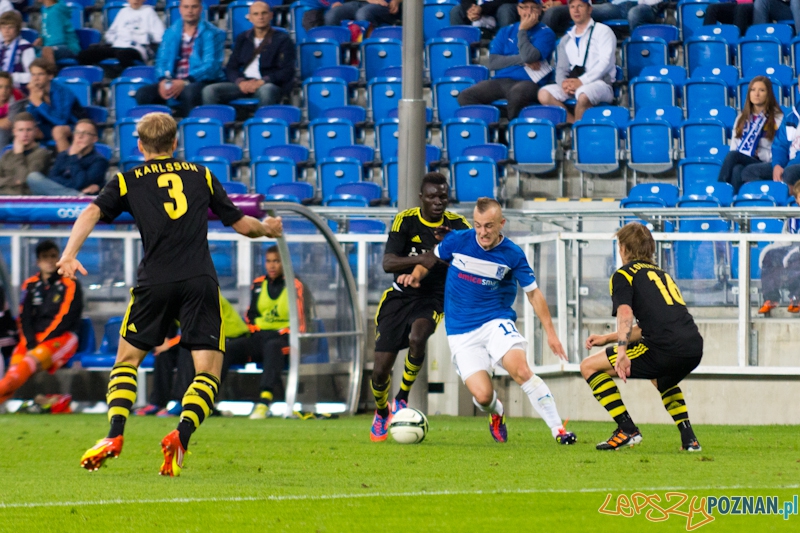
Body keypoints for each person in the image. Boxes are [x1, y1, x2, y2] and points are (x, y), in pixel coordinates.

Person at [58, 112, 283, 477]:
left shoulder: (127, 180)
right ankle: (181, 434)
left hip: (155, 281)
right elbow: (242, 224)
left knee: (127, 360)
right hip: (198, 279)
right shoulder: (201, 175)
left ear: (140, 146)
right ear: (176, 143)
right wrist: (268, 229)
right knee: (207, 371)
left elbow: (91, 212)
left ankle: (114, 435)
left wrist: (69, 254)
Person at [398, 197, 576, 445]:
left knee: (521, 370)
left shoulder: (512, 254)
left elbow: (534, 293)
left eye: (489, 226)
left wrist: (551, 334)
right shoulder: (458, 240)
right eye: (478, 225)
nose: (483, 232)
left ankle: (559, 430)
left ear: (501, 223)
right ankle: (497, 412)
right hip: (461, 332)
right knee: (483, 396)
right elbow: (430, 258)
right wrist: (416, 275)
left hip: (495, 322)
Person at [581, 222, 703, 452]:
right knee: (662, 378)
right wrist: (608, 338)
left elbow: (625, 313)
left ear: (624, 248)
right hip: (693, 347)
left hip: (665, 348)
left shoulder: (623, 275)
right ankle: (690, 440)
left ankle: (627, 429)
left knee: (589, 366)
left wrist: (622, 353)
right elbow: (651, 326)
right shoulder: (661, 274)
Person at [369, 173, 471, 441]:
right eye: (432, 197)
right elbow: (388, 263)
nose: (438, 202)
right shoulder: (406, 220)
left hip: (434, 297)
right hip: (399, 297)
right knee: (380, 371)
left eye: (443, 196)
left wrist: (446, 251)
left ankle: (402, 398)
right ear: (421, 198)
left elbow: (471, 258)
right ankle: (382, 412)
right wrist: (426, 258)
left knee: (418, 336)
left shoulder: (458, 225)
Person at [223, 245, 314, 419]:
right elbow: (250, 316)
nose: (272, 266)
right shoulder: (258, 284)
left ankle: (264, 401)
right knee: (228, 349)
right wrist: (257, 330)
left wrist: (279, 333)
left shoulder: (296, 286)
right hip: (260, 337)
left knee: (273, 346)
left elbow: (302, 324)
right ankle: (207, 400)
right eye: (269, 261)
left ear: (285, 262)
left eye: (276, 261)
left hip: (286, 340)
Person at [0, 240, 83, 404]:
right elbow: (24, 318)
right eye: (45, 257)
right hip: (33, 341)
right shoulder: (30, 285)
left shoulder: (70, 283)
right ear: (38, 261)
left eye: (53, 256)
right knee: (15, 368)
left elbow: (64, 319)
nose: (50, 261)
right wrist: (30, 342)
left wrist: (38, 344)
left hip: (62, 338)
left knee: (28, 364)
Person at [457, 0, 556, 120]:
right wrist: (522, 60)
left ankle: (513, 131)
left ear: (540, 10)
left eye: (533, 8)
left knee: (517, 94)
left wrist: (522, 31)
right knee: (466, 96)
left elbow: (530, 56)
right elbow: (493, 62)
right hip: (501, 80)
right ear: (518, 10)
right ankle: (492, 127)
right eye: (524, 7)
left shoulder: (546, 33)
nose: (529, 12)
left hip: (530, 81)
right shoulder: (505, 31)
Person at [134, 0, 225, 118]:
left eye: (194, 7)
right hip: (173, 79)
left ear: (201, 9)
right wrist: (163, 80)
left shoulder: (212, 33)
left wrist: (185, 81)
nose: (190, 11)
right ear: (180, 9)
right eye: (186, 7)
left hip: (200, 80)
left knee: (189, 92)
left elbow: (211, 66)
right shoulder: (170, 32)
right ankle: (157, 131)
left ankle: (189, 129)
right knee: (143, 93)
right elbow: (161, 61)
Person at [202, 1, 295, 107]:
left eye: (264, 13)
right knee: (210, 90)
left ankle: (262, 123)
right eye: (256, 14)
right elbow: (231, 67)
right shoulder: (243, 38)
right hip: (244, 83)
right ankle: (217, 122)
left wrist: (263, 81)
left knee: (267, 90)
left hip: (268, 84)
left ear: (271, 16)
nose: (260, 17)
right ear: (250, 18)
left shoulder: (282, 39)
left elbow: (287, 71)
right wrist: (240, 82)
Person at [537, 0, 616, 123]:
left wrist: (582, 81)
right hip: (574, 83)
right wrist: (563, 83)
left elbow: (606, 62)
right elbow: (561, 68)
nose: (576, 10)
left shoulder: (603, 31)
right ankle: (574, 126)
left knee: (583, 94)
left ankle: (577, 136)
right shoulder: (566, 38)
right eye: (572, 7)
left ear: (589, 9)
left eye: (580, 6)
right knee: (544, 93)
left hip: (600, 83)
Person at [717, 76, 783, 193]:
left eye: (761, 90)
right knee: (737, 169)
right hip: (747, 160)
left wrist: (761, 153)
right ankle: (736, 204)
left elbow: (781, 149)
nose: (756, 94)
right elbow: (734, 146)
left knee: (733, 156)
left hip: (768, 163)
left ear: (769, 94)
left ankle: (721, 191)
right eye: (753, 90)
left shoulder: (778, 119)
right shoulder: (741, 118)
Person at [77, 0, 165, 78]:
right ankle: (91, 80)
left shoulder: (149, 12)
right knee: (85, 54)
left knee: (123, 54)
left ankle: (134, 75)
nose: (135, 0)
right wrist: (113, 40)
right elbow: (110, 33)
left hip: (137, 48)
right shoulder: (123, 11)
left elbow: (159, 36)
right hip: (118, 46)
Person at [26, 119, 108, 196]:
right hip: (69, 197)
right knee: (33, 177)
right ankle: (76, 196)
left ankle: (75, 196)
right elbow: (52, 179)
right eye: (77, 132)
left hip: (84, 205)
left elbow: (81, 183)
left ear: (94, 139)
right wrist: (75, 188)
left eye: (85, 133)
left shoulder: (99, 161)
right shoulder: (63, 155)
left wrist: (73, 157)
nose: (80, 136)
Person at [758, 181, 800, 314]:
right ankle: (771, 298)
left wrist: (792, 253)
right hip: (790, 250)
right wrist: (769, 250)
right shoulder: (792, 219)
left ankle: (797, 298)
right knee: (771, 256)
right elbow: (784, 240)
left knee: (795, 259)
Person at [26, 58, 82, 153]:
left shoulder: (62, 91)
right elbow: (33, 119)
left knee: (58, 131)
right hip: (50, 126)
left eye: (40, 74)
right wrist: (33, 100)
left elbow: (61, 120)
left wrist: (39, 103)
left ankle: (66, 165)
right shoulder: (36, 92)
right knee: (25, 131)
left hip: (75, 125)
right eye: (33, 75)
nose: (36, 78)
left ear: (50, 76)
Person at [0, 112, 52, 195]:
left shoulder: (42, 154)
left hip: (26, 202)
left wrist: (18, 154)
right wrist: (15, 181)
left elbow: (25, 180)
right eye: (21, 130)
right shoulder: (7, 154)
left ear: (35, 131)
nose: (25, 134)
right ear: (14, 132)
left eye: (29, 130)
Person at [770, 90, 800, 187]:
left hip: (793, 164)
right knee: (749, 172)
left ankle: (788, 201)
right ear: (799, 88)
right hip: (788, 162)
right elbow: (780, 145)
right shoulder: (790, 115)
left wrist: (789, 165)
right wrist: (778, 164)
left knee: (789, 173)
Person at [36, 0, 80, 65]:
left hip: (68, 47)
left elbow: (58, 40)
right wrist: (41, 39)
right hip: (50, 46)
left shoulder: (56, 11)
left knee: (47, 50)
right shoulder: (46, 10)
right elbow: (47, 32)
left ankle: (50, 74)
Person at [0, 10, 35, 89]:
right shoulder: (1, 47)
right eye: (3, 28)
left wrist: (12, 77)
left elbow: (33, 75)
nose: (6, 31)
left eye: (10, 27)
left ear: (17, 29)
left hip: (18, 90)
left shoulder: (25, 47)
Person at [589, 0, 664, 32]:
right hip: (618, 6)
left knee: (634, 13)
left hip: (644, 6)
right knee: (585, 10)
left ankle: (638, 51)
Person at [322, 0, 402, 29]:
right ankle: (337, 53)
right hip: (356, 3)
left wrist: (396, 1)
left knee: (363, 14)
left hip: (383, 5)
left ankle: (369, 49)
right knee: (332, 15)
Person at [450, 0, 520, 31]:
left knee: (506, 9)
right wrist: (470, 9)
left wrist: (482, 9)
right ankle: (460, 50)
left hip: (499, 11)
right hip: (478, 11)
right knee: (457, 10)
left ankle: (507, 46)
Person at [0, 71, 26, 147]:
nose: (3, 91)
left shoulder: (17, 97)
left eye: (7, 87)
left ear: (11, 88)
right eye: (0, 87)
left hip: (12, 130)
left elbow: (10, 123)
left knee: (1, 132)